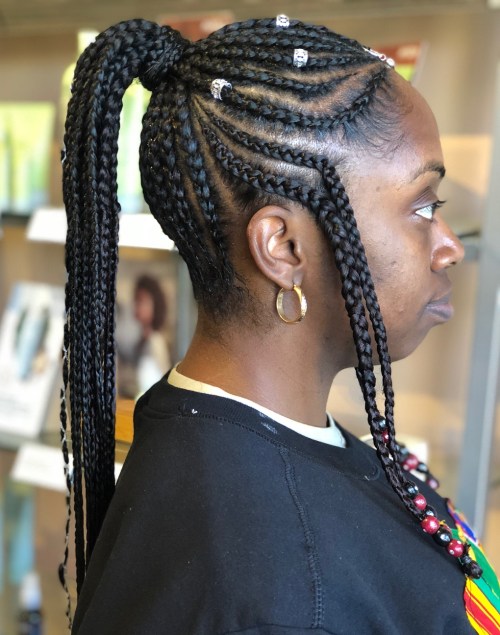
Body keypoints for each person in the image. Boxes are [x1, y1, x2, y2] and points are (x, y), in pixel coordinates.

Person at [59, 15, 500, 634]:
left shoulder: (235, 430)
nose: (449, 245)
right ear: (284, 248)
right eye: (423, 207)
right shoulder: (277, 600)